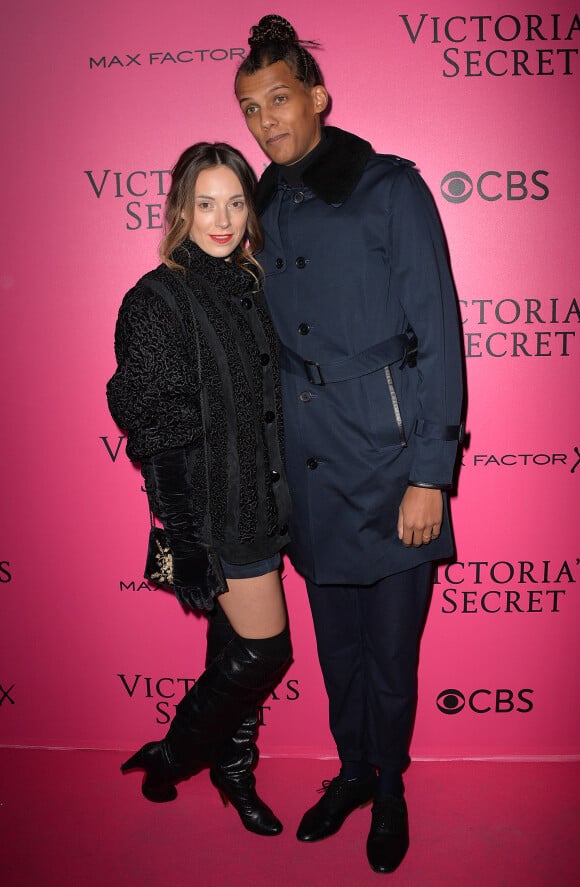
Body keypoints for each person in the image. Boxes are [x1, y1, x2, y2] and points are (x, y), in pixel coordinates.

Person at [235, 15, 464, 873]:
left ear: (318, 97)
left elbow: (439, 336)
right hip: (311, 468)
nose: (266, 121)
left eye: (281, 99)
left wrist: (429, 475)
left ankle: (393, 784)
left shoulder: (386, 187)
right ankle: (354, 772)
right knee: (337, 651)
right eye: (251, 108)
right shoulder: (257, 205)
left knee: (392, 655)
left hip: (389, 459)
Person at [106, 142, 293, 836]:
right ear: (180, 210)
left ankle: (235, 770)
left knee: (230, 649)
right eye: (206, 203)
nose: (223, 219)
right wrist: (185, 540)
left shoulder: (250, 287)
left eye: (237, 202)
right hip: (220, 512)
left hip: (266, 498)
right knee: (265, 652)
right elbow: (159, 435)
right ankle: (178, 755)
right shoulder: (156, 300)